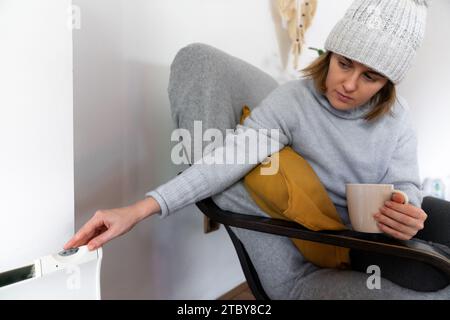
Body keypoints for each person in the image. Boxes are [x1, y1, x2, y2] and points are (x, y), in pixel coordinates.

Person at [65, 0, 450, 298]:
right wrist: (139, 209)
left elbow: (406, 183)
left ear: (387, 84)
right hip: (347, 242)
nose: (349, 84)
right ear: (330, 54)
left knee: (439, 216)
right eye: (344, 63)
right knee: (432, 273)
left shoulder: (397, 117)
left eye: (370, 76)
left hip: (385, 229)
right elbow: (222, 161)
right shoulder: (293, 102)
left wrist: (406, 204)